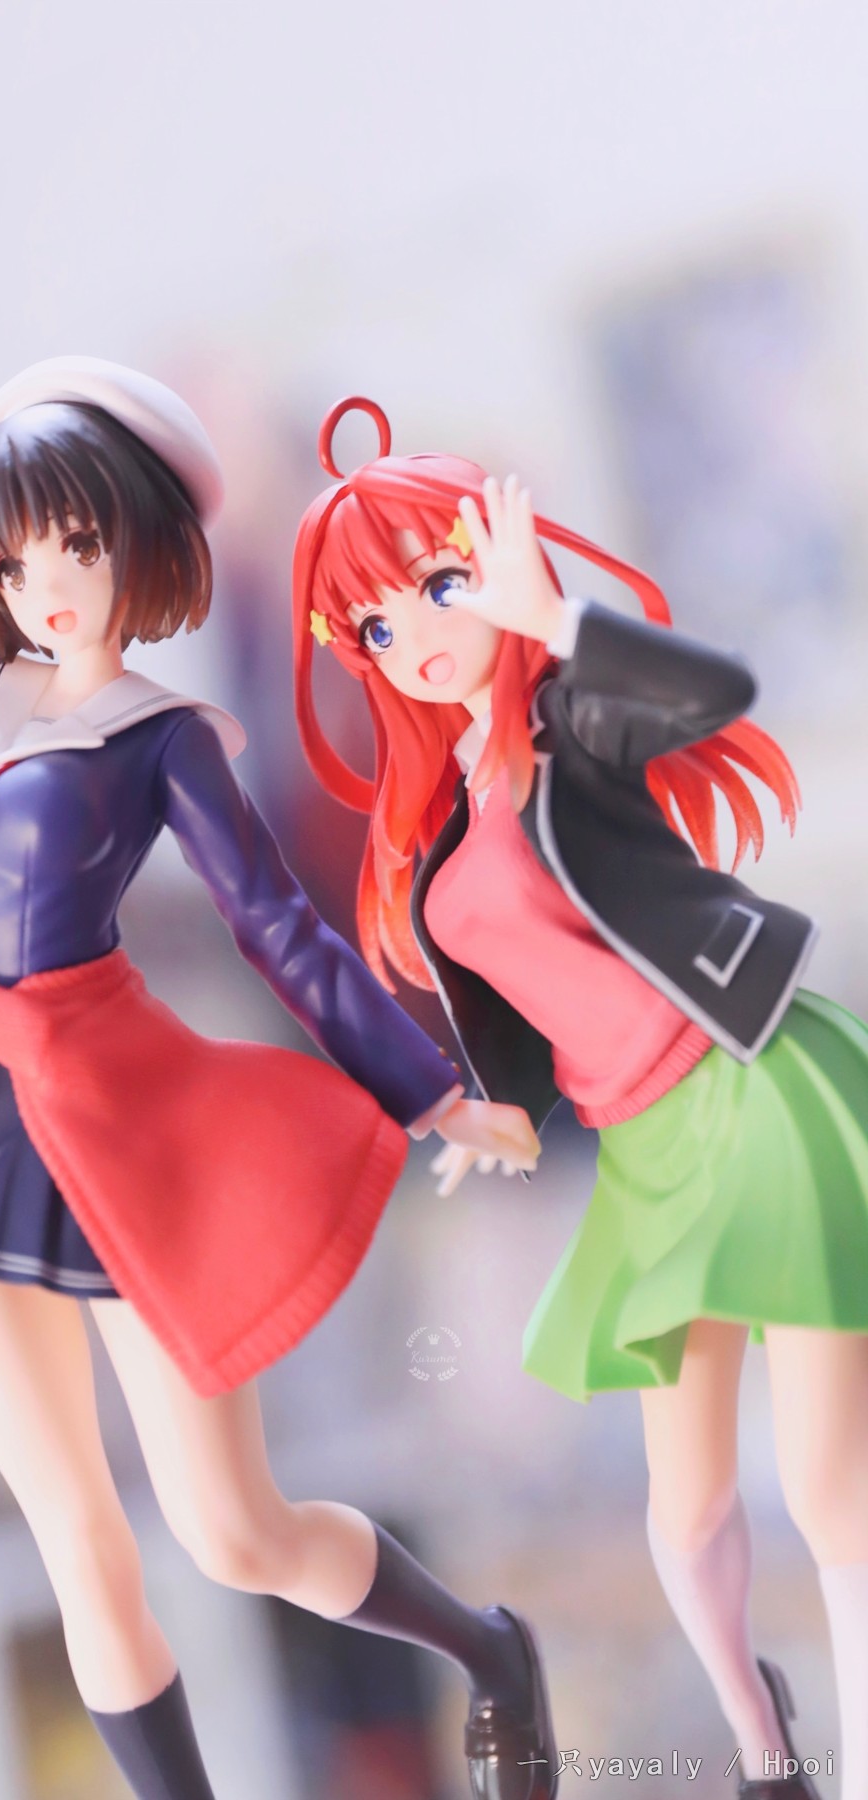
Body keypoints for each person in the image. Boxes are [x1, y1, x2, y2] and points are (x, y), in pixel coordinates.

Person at [0, 361, 556, 1800]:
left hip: (111, 1116)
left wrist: (427, 1090)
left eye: (77, 544)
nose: (45, 587)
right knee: (78, 1547)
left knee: (232, 1530)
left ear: (141, 545)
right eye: (11, 556)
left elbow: (278, 926)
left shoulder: (162, 739)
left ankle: (487, 1647)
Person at [290, 395, 868, 1800]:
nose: (419, 636)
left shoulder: (572, 725)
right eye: (377, 626)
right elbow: (522, 1006)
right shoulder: (441, 820)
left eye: (439, 587)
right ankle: (767, 1748)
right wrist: (494, 1114)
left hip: (747, 1091)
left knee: (826, 1481)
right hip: (647, 1153)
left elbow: (714, 693)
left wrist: (551, 618)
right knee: (687, 1516)